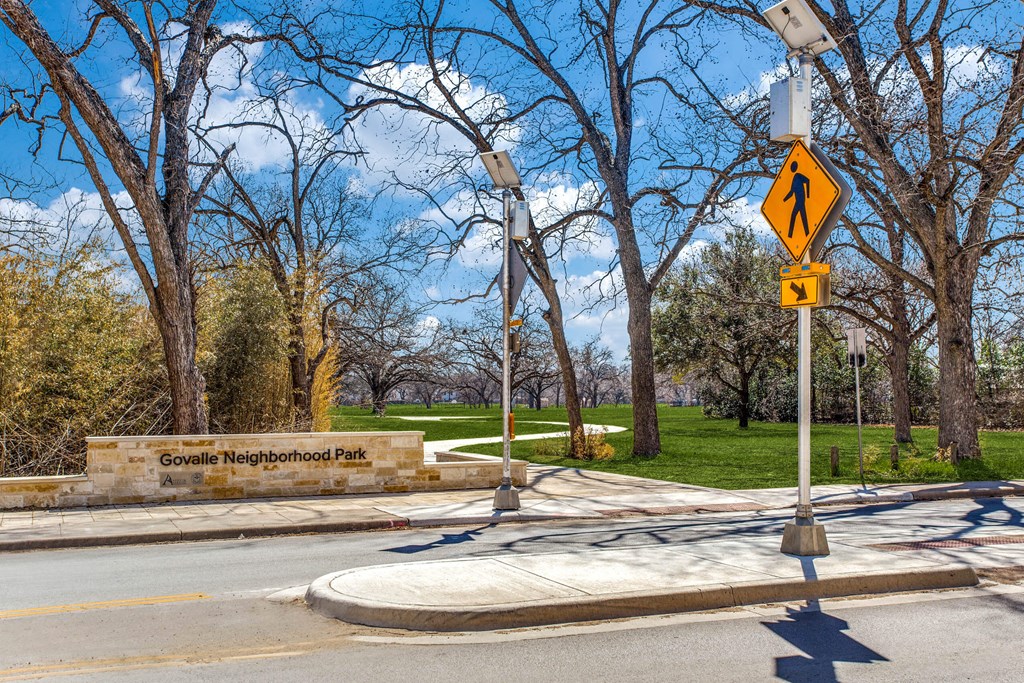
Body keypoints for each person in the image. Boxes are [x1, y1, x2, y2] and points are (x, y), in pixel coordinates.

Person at [784, 161, 810, 238]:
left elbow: (808, 180)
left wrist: (808, 195)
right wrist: (783, 200)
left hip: (800, 200)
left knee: (794, 216)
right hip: (798, 201)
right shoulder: (794, 179)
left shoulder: (798, 176)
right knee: (803, 217)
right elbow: (791, 192)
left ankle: (790, 235)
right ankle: (807, 234)